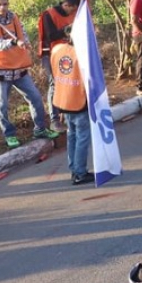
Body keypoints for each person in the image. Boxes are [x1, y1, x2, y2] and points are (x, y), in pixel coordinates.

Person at [0, 0, 59, 149]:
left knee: (35, 98)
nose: (2, 7)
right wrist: (13, 42)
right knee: (2, 105)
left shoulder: (15, 18)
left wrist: (25, 42)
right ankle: (9, 135)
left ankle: (40, 129)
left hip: (19, 68)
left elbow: (23, 35)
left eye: (5, 4)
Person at [50, 32, 93, 185]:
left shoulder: (58, 50)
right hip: (78, 101)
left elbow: (55, 74)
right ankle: (80, 172)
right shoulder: (83, 55)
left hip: (63, 100)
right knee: (82, 137)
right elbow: (90, 82)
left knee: (72, 136)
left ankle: (74, 169)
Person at [37, 0, 79, 123]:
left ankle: (67, 112)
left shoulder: (73, 13)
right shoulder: (49, 15)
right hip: (51, 54)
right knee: (55, 83)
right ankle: (54, 118)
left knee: (68, 82)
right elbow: (51, 36)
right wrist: (67, 29)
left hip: (67, 54)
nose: (73, 13)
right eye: (72, 10)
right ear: (66, 5)